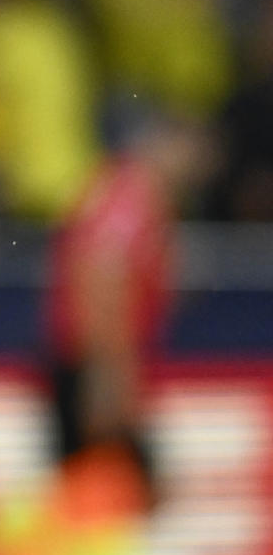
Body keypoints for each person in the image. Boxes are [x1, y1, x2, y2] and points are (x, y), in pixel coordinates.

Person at [44, 109, 214, 506]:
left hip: (101, 370)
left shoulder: (135, 197)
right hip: (97, 374)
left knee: (111, 506)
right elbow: (101, 282)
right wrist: (109, 386)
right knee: (110, 504)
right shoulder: (130, 196)